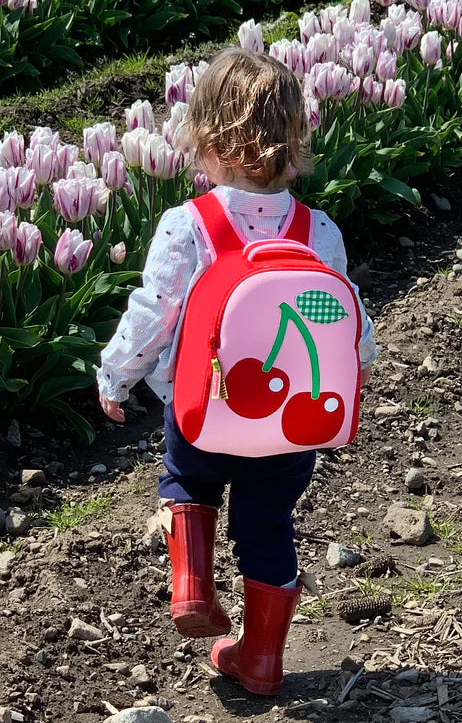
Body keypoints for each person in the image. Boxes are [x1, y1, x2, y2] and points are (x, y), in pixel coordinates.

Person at [97, 47, 377, 695]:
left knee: (187, 485)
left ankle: (192, 587)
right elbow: (348, 319)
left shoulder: (189, 226)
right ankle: (262, 659)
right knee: (268, 525)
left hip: (204, 407)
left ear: (208, 140)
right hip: (289, 423)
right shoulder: (318, 228)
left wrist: (116, 374)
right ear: (293, 141)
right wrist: (356, 372)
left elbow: (156, 313)